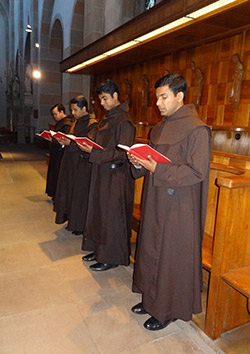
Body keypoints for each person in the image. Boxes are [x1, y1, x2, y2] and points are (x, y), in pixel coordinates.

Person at [128, 73, 211, 331]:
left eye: (163, 97)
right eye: (157, 98)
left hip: (179, 206)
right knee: (152, 249)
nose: (158, 103)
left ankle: (167, 309)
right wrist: (138, 163)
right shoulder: (161, 127)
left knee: (169, 256)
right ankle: (150, 297)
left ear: (179, 96)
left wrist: (158, 170)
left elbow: (197, 172)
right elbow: (153, 161)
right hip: (156, 199)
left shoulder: (197, 129)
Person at [80, 79, 136, 271]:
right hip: (101, 174)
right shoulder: (107, 118)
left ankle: (111, 257)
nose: (102, 103)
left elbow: (123, 153)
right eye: (100, 99)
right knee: (98, 214)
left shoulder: (124, 121)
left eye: (105, 99)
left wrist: (93, 153)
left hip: (115, 178)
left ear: (115, 96)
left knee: (110, 217)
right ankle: (98, 250)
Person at [53, 96, 98, 234]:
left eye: (75, 110)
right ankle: (71, 220)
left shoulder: (93, 124)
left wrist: (70, 143)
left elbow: (89, 144)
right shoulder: (76, 122)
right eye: (71, 110)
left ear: (84, 108)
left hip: (82, 164)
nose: (73, 113)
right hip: (70, 162)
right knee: (70, 192)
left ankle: (80, 225)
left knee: (80, 196)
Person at [45, 104, 74, 200]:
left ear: (62, 112)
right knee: (54, 174)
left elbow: (64, 139)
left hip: (61, 153)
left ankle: (58, 196)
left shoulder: (67, 123)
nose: (54, 116)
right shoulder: (60, 122)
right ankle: (54, 194)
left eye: (55, 114)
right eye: (53, 114)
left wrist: (53, 139)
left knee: (58, 175)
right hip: (56, 152)